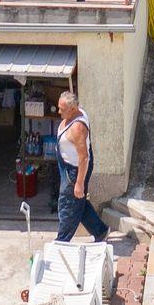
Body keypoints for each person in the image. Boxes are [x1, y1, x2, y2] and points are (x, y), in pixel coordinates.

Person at [54, 90, 110, 244]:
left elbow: (84, 157)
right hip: (67, 165)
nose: (58, 112)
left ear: (73, 109)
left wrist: (79, 183)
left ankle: (62, 241)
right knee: (79, 202)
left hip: (75, 170)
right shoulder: (78, 112)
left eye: (62, 109)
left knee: (68, 204)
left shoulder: (77, 128)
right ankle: (100, 231)